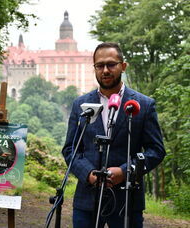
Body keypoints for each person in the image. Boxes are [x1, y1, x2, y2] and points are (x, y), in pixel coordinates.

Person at [62, 42, 166, 228]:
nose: (105, 70)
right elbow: (71, 149)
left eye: (111, 64)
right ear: (94, 68)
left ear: (123, 66)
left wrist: (125, 172)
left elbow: (156, 151)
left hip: (127, 201)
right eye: (100, 65)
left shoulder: (144, 104)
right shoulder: (81, 105)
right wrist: (88, 174)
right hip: (87, 201)